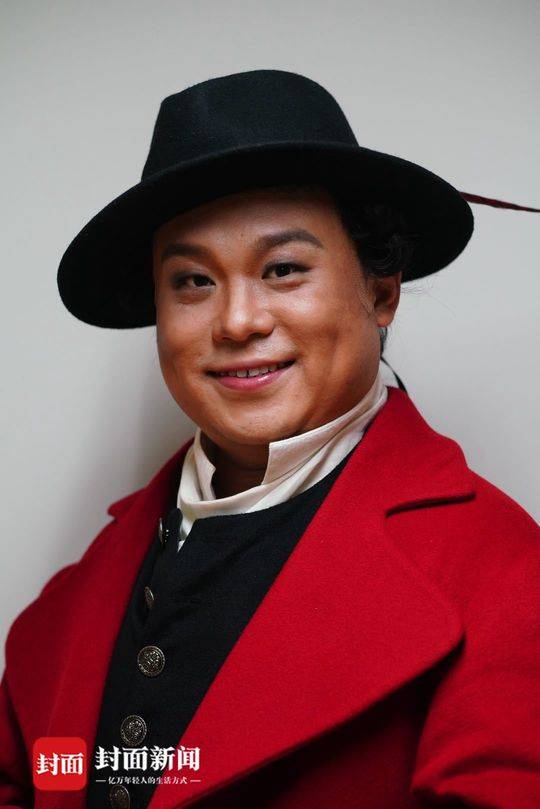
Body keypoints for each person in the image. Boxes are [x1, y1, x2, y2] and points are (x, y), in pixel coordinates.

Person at [1, 69, 539, 809]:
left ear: (381, 292)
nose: (237, 321)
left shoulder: (506, 574)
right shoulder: (75, 593)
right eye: (192, 281)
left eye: (283, 269)